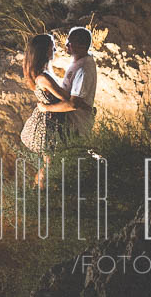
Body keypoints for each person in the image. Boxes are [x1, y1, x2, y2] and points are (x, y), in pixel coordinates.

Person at [20, 33, 71, 187]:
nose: (54, 48)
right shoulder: (43, 78)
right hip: (47, 125)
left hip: (49, 121)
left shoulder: (43, 72)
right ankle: (39, 194)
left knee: (49, 163)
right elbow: (66, 97)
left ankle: (40, 192)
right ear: (44, 50)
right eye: (51, 46)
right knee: (49, 164)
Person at [38, 26, 97, 137]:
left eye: (70, 42)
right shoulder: (77, 63)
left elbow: (74, 103)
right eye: (67, 41)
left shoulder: (84, 69)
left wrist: (46, 108)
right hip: (69, 125)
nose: (66, 45)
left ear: (82, 46)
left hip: (77, 127)